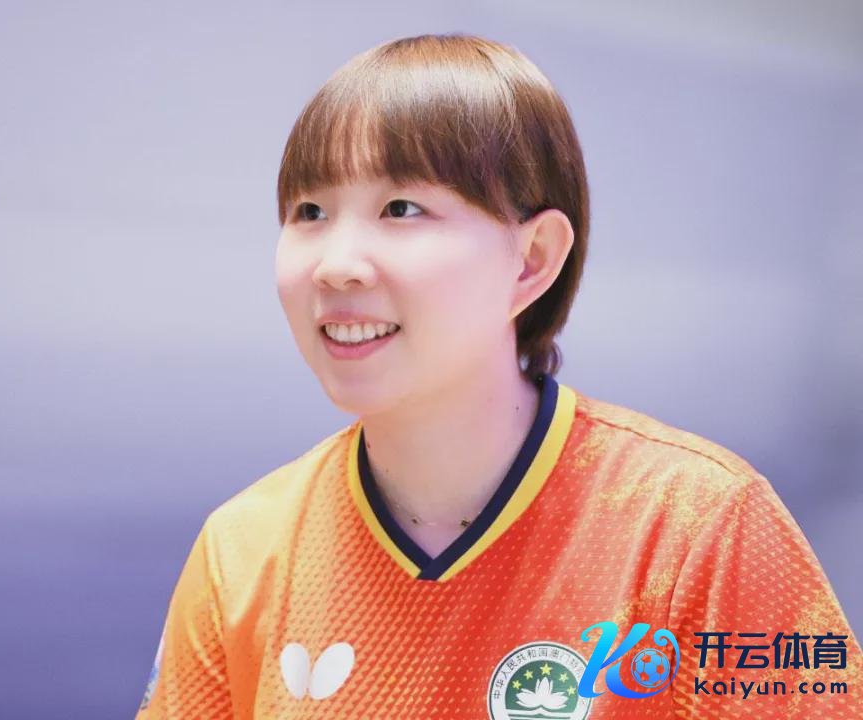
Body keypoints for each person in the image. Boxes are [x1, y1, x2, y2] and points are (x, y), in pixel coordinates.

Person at [135, 33, 862, 719]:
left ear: (532, 259)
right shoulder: (242, 549)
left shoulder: (702, 525)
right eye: (309, 211)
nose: (336, 264)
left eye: (401, 208)